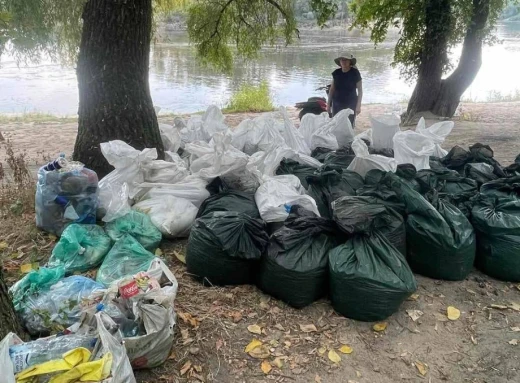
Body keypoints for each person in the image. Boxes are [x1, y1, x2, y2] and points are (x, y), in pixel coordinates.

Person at [327, 53, 363, 127]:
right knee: (336, 124)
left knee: (349, 124)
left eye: (346, 60)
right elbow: (331, 90)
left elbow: (360, 90)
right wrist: (328, 104)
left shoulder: (355, 73)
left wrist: (358, 105)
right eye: (342, 60)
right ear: (339, 62)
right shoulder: (336, 73)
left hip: (351, 102)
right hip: (337, 103)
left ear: (350, 61)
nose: (344, 61)